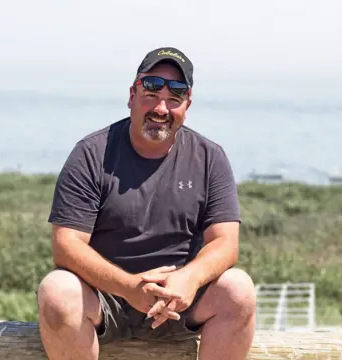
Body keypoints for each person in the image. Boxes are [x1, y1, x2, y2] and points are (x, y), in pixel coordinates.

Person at [36, 46, 257, 360]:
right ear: (132, 95)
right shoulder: (91, 153)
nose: (161, 108)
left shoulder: (210, 157)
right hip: (105, 299)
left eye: (174, 98)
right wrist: (128, 287)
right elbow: (66, 244)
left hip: (181, 301)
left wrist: (188, 280)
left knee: (239, 289)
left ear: (187, 105)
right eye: (151, 93)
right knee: (57, 291)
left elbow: (226, 243)